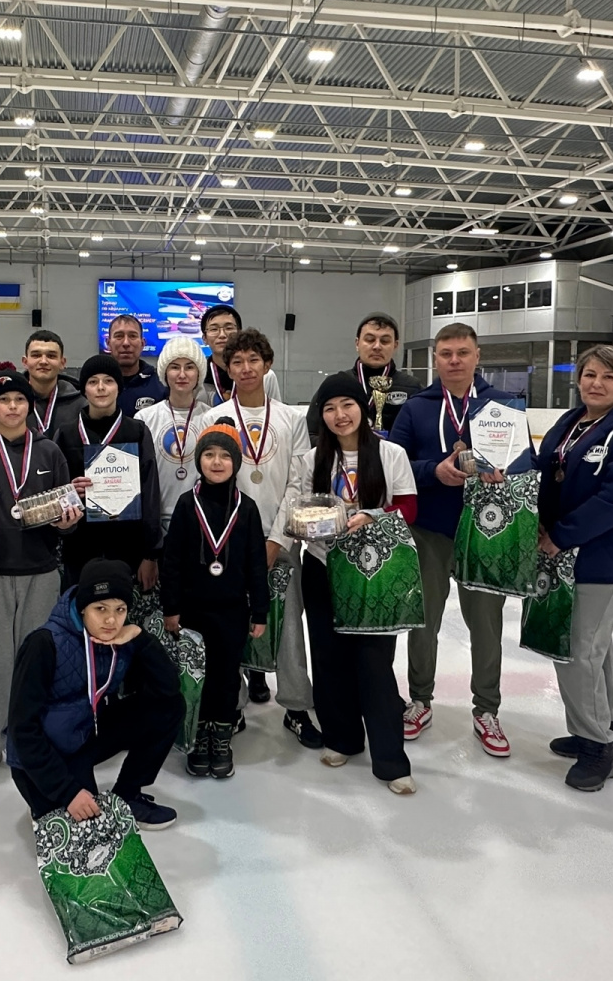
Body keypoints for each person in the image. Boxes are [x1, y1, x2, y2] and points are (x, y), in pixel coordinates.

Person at [279, 374, 421, 794]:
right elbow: (301, 510)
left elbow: (408, 507)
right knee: (328, 657)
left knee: (374, 663)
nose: (339, 415)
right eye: (329, 408)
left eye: (347, 405)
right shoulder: (312, 460)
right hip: (323, 565)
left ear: (363, 408)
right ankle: (342, 738)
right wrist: (306, 525)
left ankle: (391, 761)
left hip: (375, 570)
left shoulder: (391, 453)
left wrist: (369, 516)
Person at [390, 322, 525, 757]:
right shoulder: (417, 407)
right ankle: (420, 699)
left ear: (477, 356)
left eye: (462, 352)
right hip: (430, 530)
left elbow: (525, 462)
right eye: (445, 353)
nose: (454, 360)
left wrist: (508, 471)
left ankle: (487, 709)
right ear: (435, 358)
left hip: (487, 534)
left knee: (485, 626)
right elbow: (394, 462)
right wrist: (433, 471)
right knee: (423, 621)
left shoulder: (502, 405)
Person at [536, 346, 613, 792]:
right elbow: (546, 472)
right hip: (568, 554)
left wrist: (561, 535)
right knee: (596, 647)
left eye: (609, 377)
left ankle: (595, 749)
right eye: (590, 374)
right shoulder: (571, 422)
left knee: (577, 650)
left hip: (603, 558)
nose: (596, 383)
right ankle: (607, 729)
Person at [0, 363, 83, 787]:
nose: (12, 407)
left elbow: (68, 516)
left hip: (41, 571)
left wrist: (67, 522)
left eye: (19, 400)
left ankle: (31, 738)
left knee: (36, 663)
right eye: (4, 401)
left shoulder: (49, 452)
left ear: (30, 406)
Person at [193, 329, 319, 747]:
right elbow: (209, 481)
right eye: (237, 362)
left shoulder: (291, 418)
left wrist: (277, 539)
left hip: (279, 540)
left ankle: (297, 706)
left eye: (253, 360)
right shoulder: (213, 418)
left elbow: (298, 483)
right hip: (227, 542)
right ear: (226, 368)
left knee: (288, 626)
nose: (246, 368)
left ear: (267, 365)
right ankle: (233, 704)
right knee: (228, 627)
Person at [6, 560, 182, 830]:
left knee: (170, 707)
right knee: (88, 829)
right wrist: (67, 792)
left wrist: (140, 638)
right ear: (82, 608)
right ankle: (48, 797)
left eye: (120, 609)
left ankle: (127, 795)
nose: (111, 620)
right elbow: (22, 730)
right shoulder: (44, 644)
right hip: (45, 752)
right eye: (100, 609)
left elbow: (168, 689)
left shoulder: (121, 639)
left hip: (85, 735)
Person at [159, 424, 269, 778]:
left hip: (233, 611)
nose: (217, 462)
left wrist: (260, 611)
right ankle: (199, 738)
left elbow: (256, 563)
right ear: (199, 460)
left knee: (226, 677)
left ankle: (221, 737)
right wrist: (171, 608)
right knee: (198, 677)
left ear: (236, 462)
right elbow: (171, 562)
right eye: (209, 454)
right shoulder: (186, 504)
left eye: (224, 455)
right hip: (192, 611)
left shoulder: (247, 508)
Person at [57, 354, 162, 589]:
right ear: (84, 389)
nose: (101, 387)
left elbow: (150, 492)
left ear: (119, 387)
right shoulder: (66, 434)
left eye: (108, 381)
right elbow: (56, 490)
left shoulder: (137, 431)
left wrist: (150, 553)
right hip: (80, 546)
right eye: (93, 381)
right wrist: (70, 491)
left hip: (128, 547)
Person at [134, 336, 206, 540]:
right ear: (165, 372)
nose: (182, 374)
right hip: (154, 520)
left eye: (189, 367)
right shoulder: (144, 418)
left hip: (199, 521)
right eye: (175, 367)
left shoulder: (211, 418)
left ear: (199, 373)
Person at [328, 313, 418, 439]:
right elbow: (312, 433)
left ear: (395, 346)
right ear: (357, 343)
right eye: (370, 340)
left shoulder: (413, 387)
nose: (377, 346)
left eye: (385, 341)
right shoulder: (336, 385)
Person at [195, 304, 282, 406]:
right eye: (214, 329)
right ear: (204, 338)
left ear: (239, 333)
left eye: (229, 328)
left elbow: (276, 411)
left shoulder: (265, 375)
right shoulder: (197, 377)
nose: (222, 335)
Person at [21, 330, 86, 441]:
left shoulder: (81, 405)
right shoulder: (10, 402)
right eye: (36, 355)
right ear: (25, 362)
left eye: (51, 356)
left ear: (62, 363)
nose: (43, 361)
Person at [105, 313, 168, 414]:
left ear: (142, 344)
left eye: (132, 336)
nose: (126, 343)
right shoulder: (96, 385)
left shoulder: (161, 385)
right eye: (119, 336)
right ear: (108, 343)